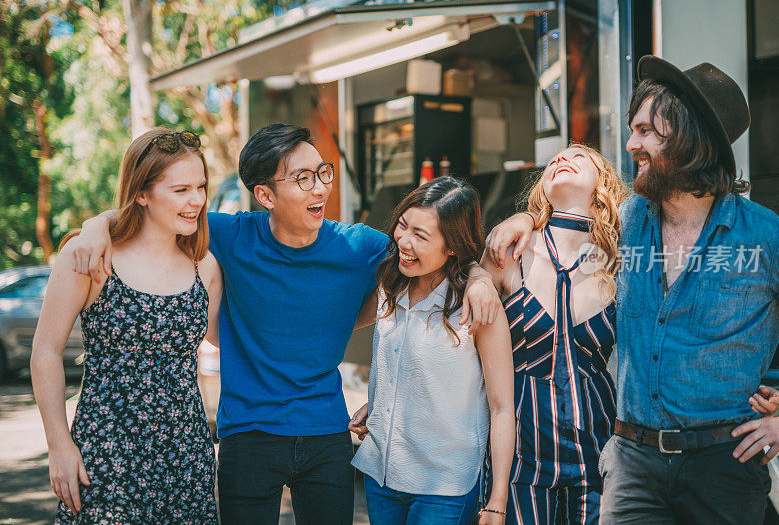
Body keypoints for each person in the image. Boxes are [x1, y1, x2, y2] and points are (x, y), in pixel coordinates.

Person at [69, 123, 500, 524]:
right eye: (303, 178)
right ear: (265, 195)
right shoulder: (228, 235)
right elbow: (153, 213)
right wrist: (95, 226)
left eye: (322, 173)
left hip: (327, 432)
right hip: (248, 434)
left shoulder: (359, 246)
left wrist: (479, 276)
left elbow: (436, 250)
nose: (321, 188)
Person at [485, 56, 779, 524]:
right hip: (631, 464)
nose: (631, 143)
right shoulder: (625, 223)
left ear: (690, 137)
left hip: (724, 466)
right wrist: (523, 219)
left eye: (647, 131)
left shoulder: (766, 238)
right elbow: (561, 221)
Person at [31, 129, 222, 523]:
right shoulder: (89, 255)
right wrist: (59, 444)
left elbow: (233, 344)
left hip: (185, 455)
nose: (197, 200)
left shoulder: (206, 266)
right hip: (104, 451)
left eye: (201, 187)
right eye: (181, 189)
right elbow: (45, 351)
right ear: (142, 193)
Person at [347, 177, 515, 524]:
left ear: (452, 246)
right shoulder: (390, 284)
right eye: (403, 226)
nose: (404, 242)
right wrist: (381, 405)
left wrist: (497, 500)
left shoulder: (477, 304)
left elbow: (501, 408)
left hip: (444, 485)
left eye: (421, 236)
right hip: (381, 474)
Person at [479, 144, 627, 524]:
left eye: (580, 157)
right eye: (556, 158)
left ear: (602, 184)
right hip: (519, 453)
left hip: (598, 449)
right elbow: (461, 343)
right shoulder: (508, 253)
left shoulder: (618, 260)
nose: (563, 158)